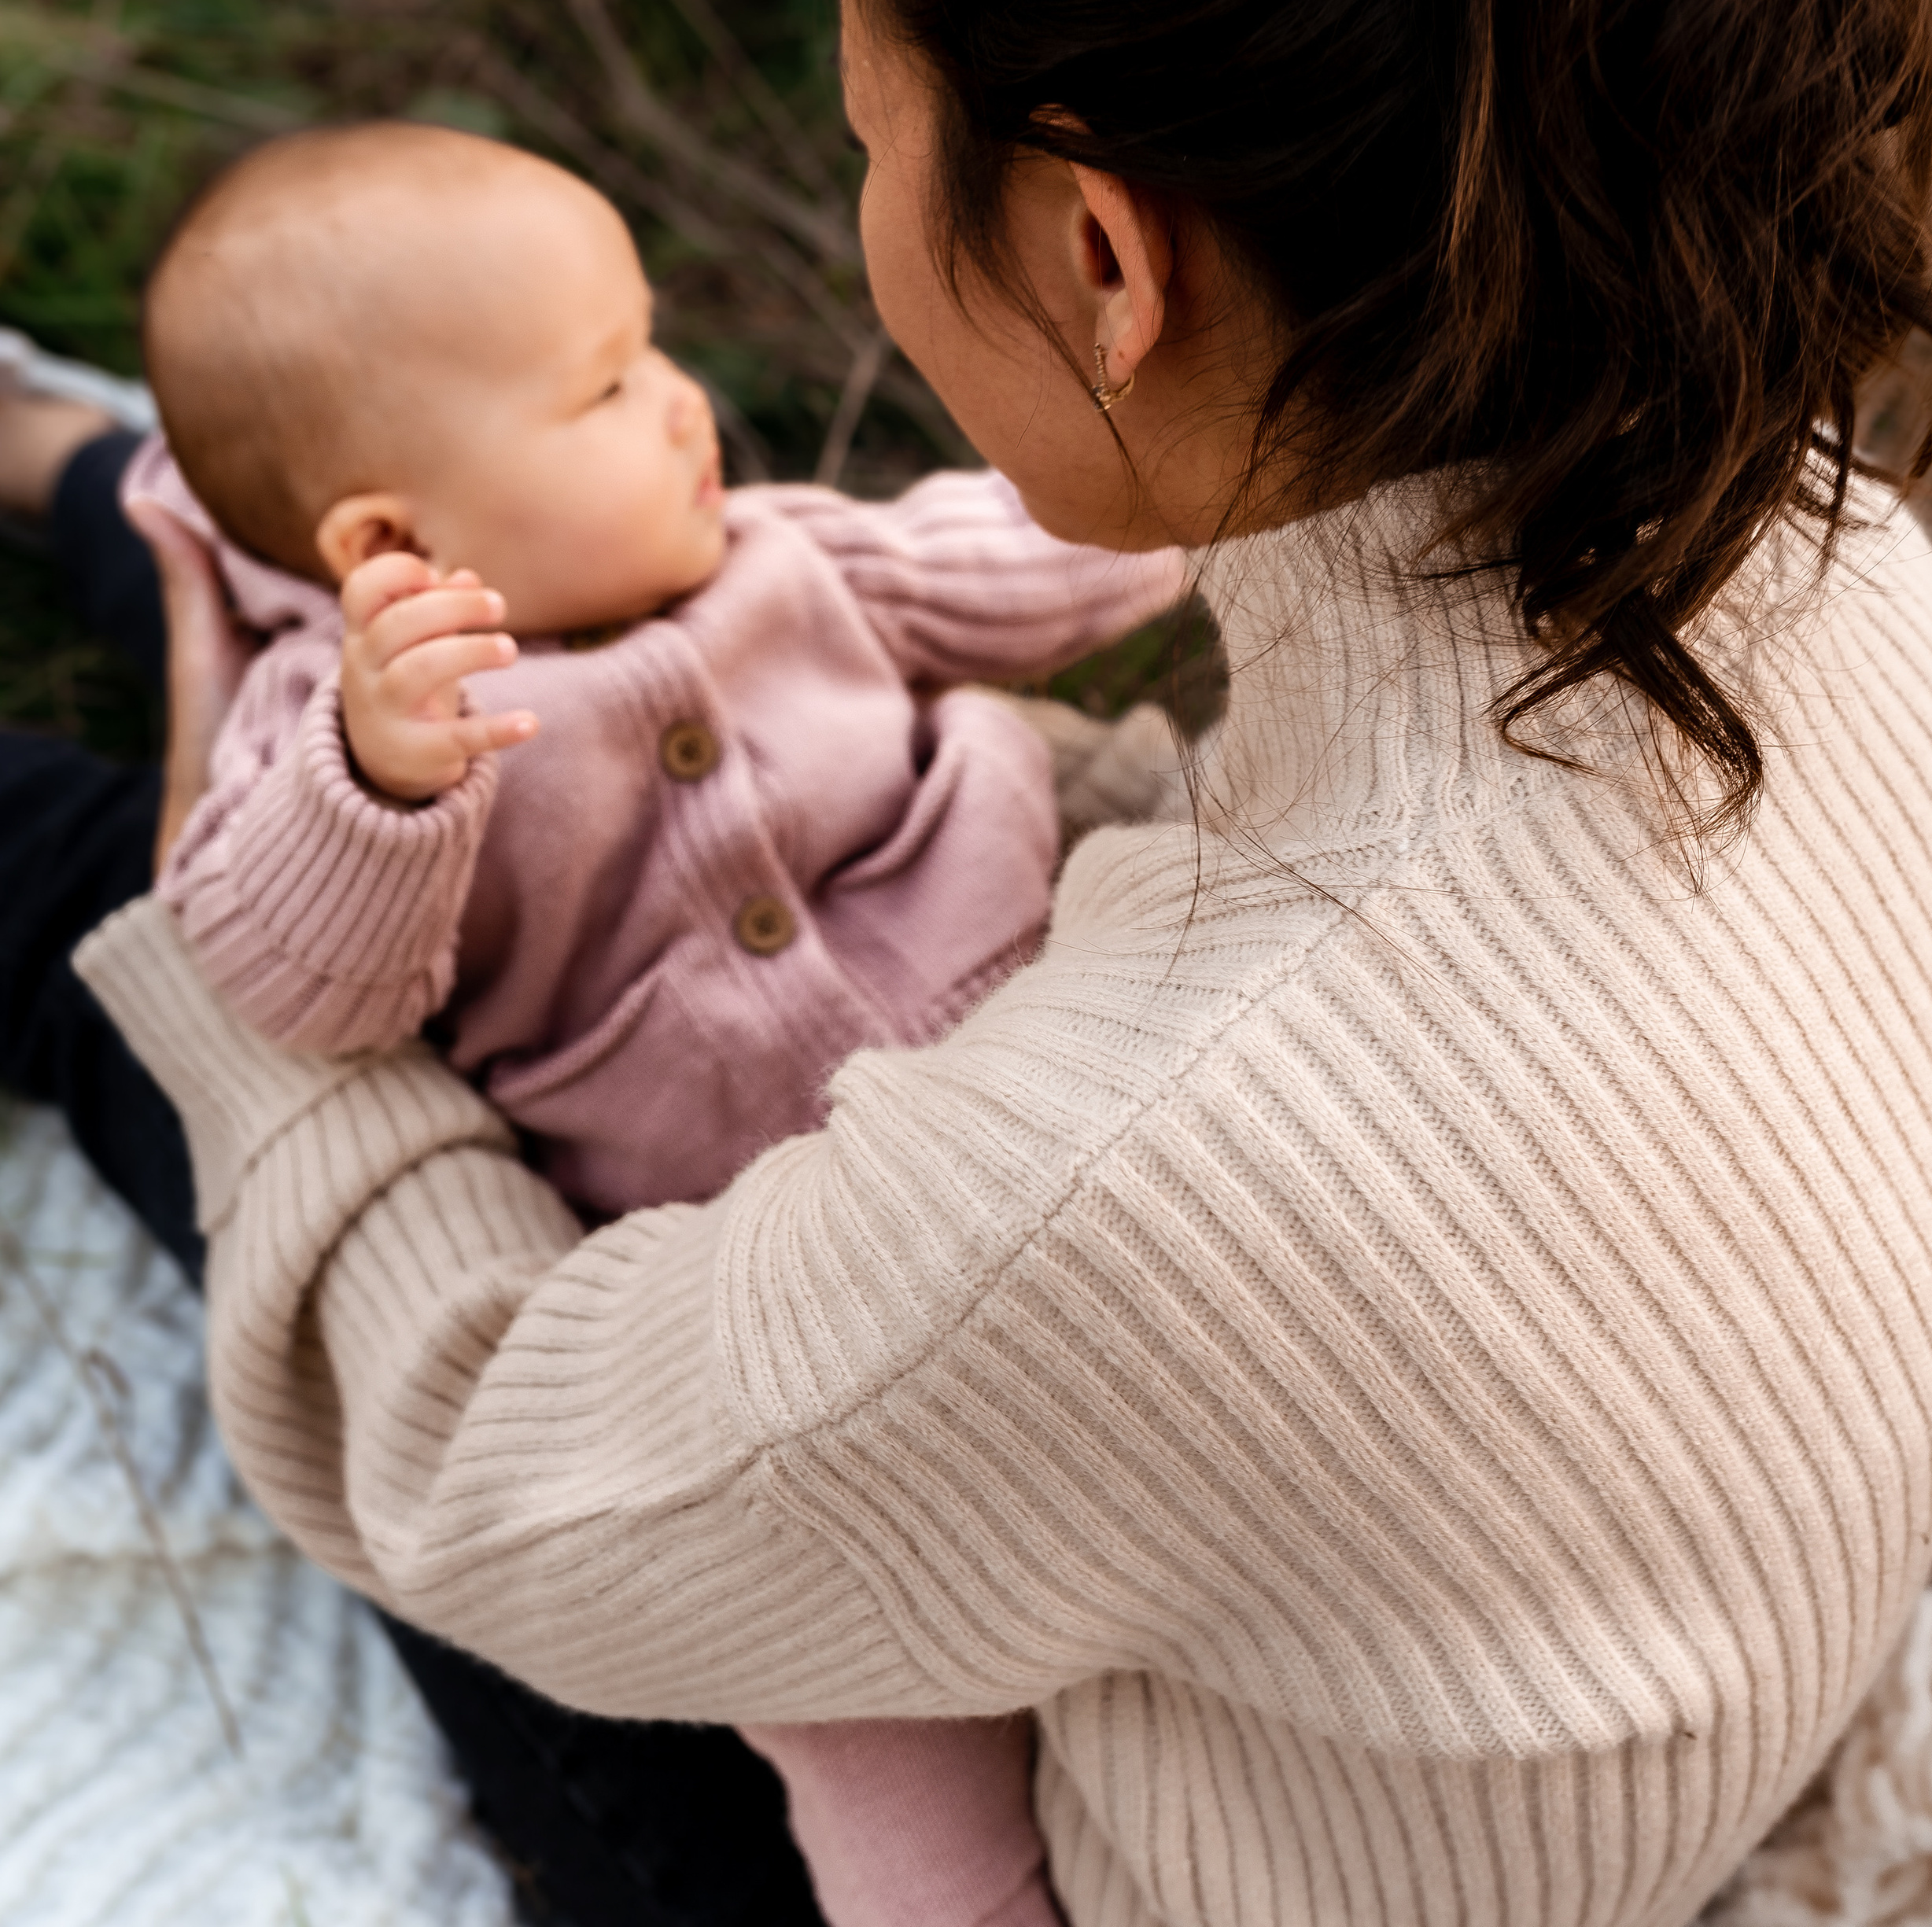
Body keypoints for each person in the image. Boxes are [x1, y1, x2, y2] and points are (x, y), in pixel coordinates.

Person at [26, 0, 1932, 1927]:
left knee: (168, 925)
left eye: (871, 136)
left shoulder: (1110, 1203)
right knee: (520, 711)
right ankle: (134, 497)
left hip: (1089, 1846)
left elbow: (466, 1464)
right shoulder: (1793, 506)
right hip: (1608, 1654)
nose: (864, 216)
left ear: (1098, 255)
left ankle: (142, 560)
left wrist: (277, 1021)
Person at [131, 112, 1184, 1925]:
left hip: (1030, 1068)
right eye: (606, 385)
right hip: (739, 1323)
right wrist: (382, 778)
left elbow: (1039, 558)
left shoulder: (786, 566)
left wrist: (1172, 469)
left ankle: (96, 487)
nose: (685, 403)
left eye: (656, 346)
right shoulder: (349, 734)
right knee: (856, 1712)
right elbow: (287, 983)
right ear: (394, 542)